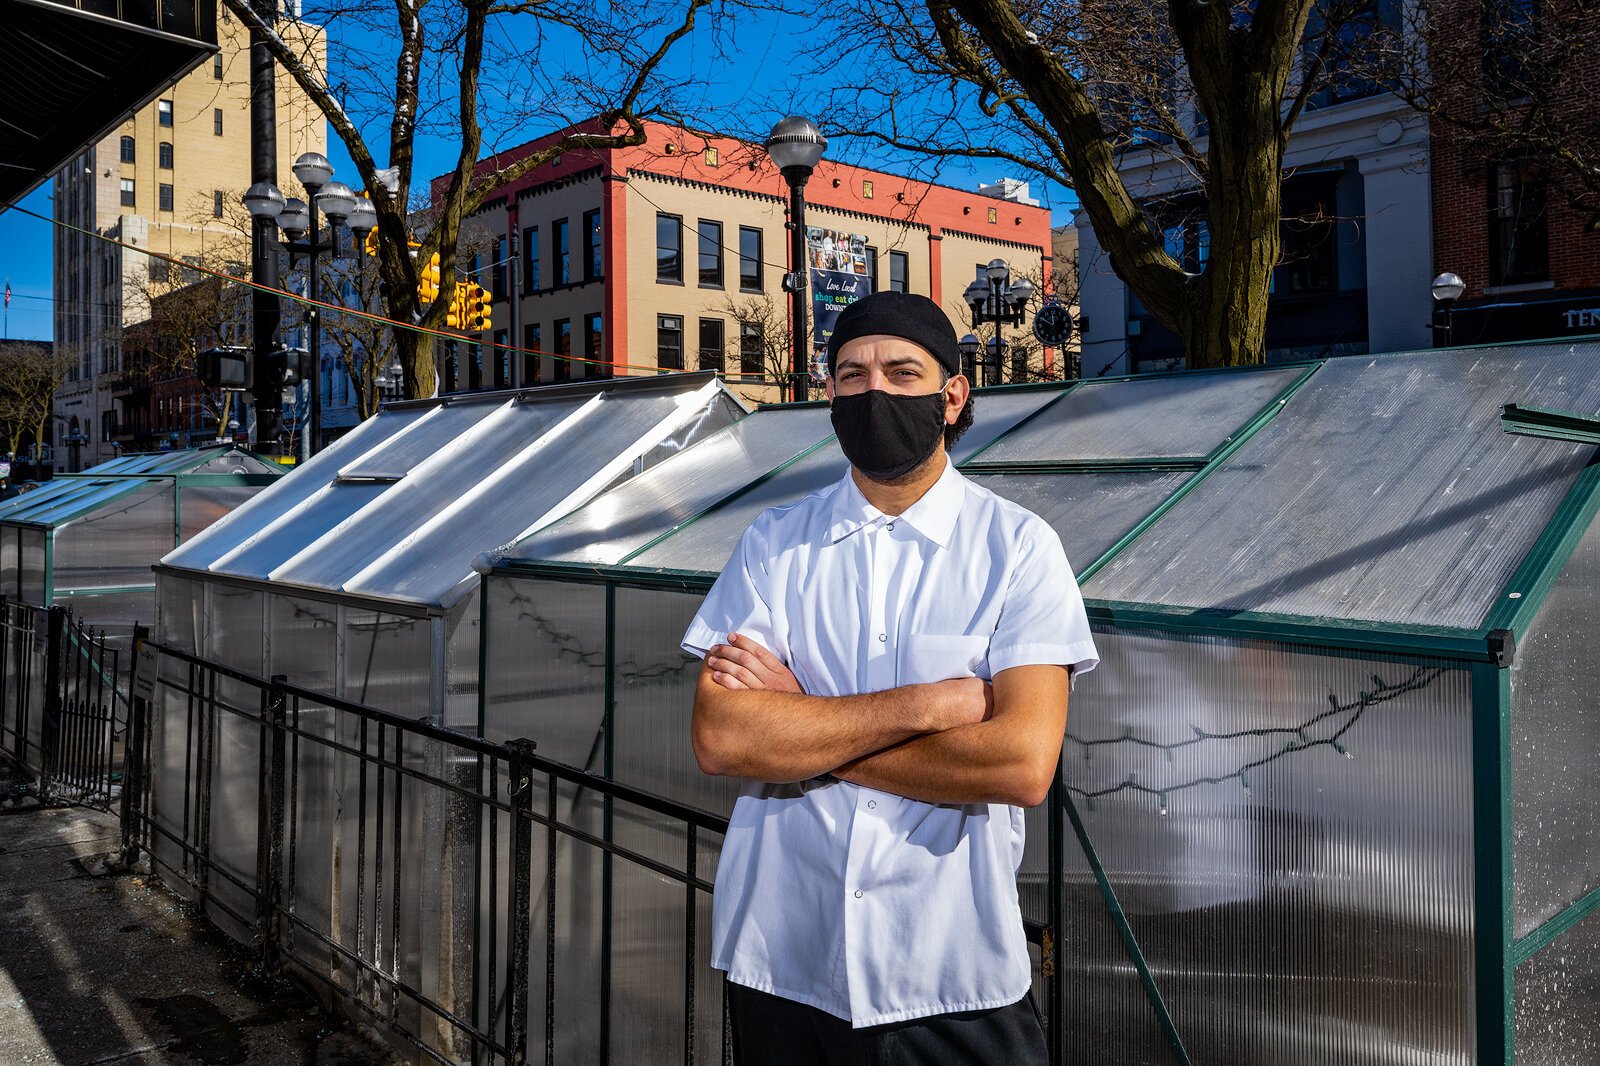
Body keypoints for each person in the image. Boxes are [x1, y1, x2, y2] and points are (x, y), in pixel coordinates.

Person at [683, 291, 1098, 1064]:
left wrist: (804, 724)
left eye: (902, 372)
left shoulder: (1018, 549)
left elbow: (1020, 762)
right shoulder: (775, 541)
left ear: (952, 396)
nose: (875, 390)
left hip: (950, 971)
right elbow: (722, 736)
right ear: (831, 394)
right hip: (785, 958)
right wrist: (927, 706)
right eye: (851, 374)